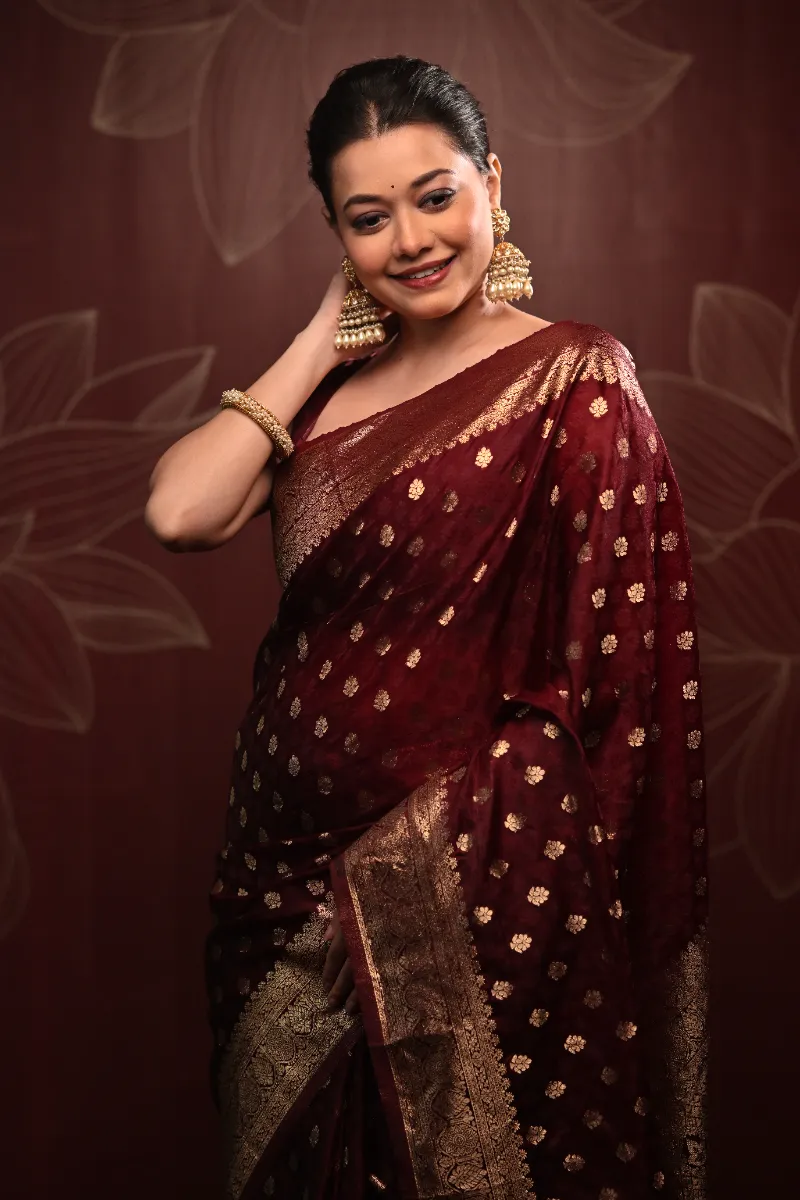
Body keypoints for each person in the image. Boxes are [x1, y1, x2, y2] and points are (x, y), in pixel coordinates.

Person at [146, 56, 707, 1200]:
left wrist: (417, 864)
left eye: (434, 196)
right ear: (334, 236)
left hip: (468, 893)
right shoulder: (322, 399)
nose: (409, 240)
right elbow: (180, 512)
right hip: (278, 888)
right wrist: (321, 334)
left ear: (492, 183)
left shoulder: (572, 380)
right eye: (368, 218)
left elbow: (614, 696)